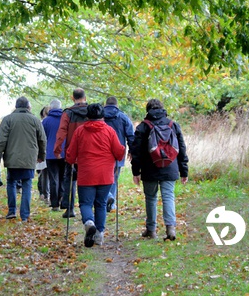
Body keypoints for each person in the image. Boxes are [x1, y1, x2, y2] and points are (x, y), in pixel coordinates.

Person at [66, 103, 125, 247]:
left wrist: (70, 159)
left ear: (88, 116)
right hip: (105, 175)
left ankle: (89, 222)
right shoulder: (109, 131)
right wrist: (122, 150)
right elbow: (118, 152)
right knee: (101, 204)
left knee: (85, 203)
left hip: (86, 174)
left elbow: (70, 155)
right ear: (102, 116)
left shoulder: (80, 131)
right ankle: (99, 235)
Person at [131, 99, 189, 241]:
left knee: (151, 198)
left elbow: (136, 152)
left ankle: (151, 230)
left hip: (149, 168)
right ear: (163, 109)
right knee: (168, 196)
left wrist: (136, 171)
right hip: (170, 167)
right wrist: (184, 170)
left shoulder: (143, 127)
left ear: (148, 110)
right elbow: (181, 148)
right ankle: (170, 229)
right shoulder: (173, 125)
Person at [0, 96, 47, 222]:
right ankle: (24, 215)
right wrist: (41, 156)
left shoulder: (8, 120)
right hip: (29, 159)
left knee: (11, 183)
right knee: (27, 184)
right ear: (28, 107)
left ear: (16, 106)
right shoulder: (35, 120)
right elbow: (42, 140)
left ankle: (12, 211)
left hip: (12, 158)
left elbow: (0, 141)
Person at [54, 88, 89, 218]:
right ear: (85, 98)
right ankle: (87, 206)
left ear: (72, 98)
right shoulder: (91, 111)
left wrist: (57, 150)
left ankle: (69, 208)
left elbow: (62, 131)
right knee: (88, 179)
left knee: (69, 180)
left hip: (72, 152)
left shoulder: (68, 113)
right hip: (89, 152)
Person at [103, 96, 135, 212]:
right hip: (118, 154)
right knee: (114, 179)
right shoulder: (123, 117)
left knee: (102, 178)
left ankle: (106, 199)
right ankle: (111, 203)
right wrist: (131, 151)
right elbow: (131, 136)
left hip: (101, 153)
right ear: (117, 105)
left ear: (105, 104)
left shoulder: (99, 116)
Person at [42, 99, 65, 211]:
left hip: (50, 154)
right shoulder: (65, 119)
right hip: (64, 153)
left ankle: (54, 204)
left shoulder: (46, 121)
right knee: (62, 177)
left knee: (53, 179)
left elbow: (42, 138)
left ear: (50, 108)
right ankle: (61, 199)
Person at [36, 106, 49, 202]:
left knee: (44, 174)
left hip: (44, 151)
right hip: (55, 152)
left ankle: (44, 194)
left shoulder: (42, 123)